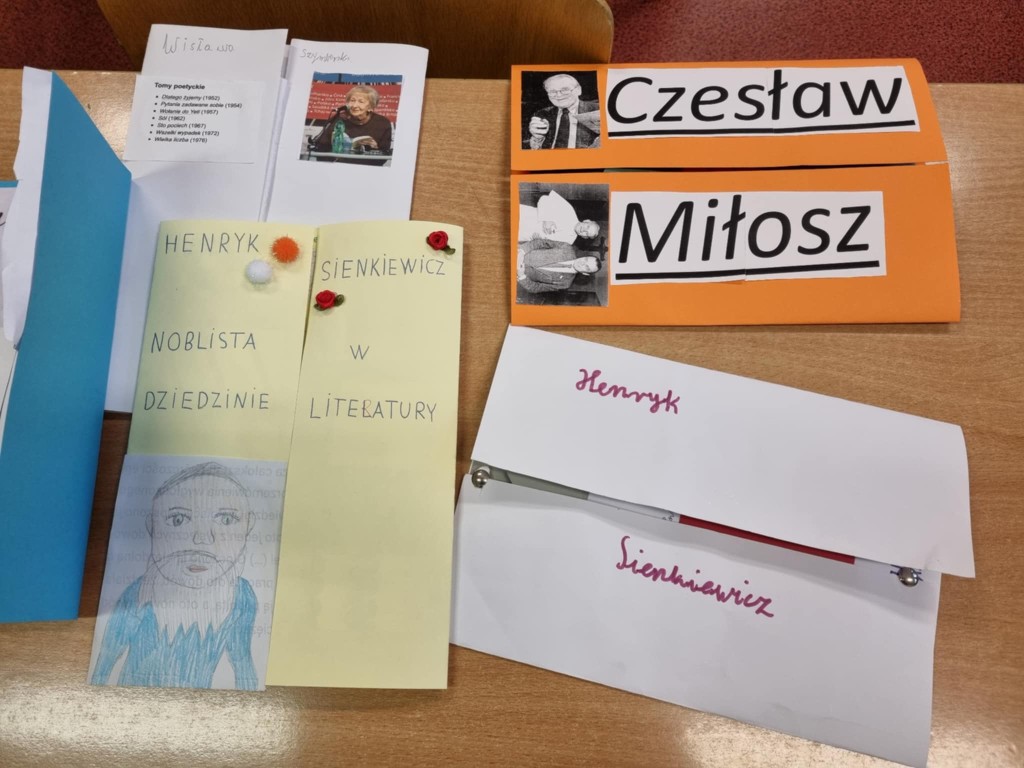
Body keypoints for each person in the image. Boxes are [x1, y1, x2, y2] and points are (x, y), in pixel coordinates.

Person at [91, 462, 259, 690]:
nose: (202, 539)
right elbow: (106, 659)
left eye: (226, 519)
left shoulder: (241, 597)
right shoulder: (139, 593)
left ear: (249, 526)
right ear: (152, 525)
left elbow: (243, 663)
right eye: (178, 519)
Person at [310, 85, 393, 155]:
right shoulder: (338, 119)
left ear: (371, 107)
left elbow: (385, 154)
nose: (354, 105)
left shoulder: (382, 123)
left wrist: (375, 149)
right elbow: (321, 149)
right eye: (352, 100)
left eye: (361, 102)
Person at [524, 73, 600, 150]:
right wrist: (537, 137)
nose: (559, 95)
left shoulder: (598, 110)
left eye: (565, 90)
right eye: (552, 91)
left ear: (578, 90)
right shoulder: (542, 114)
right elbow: (536, 150)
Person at [517, 238, 601, 294]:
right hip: (517, 253)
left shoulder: (565, 284)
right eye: (585, 259)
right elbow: (540, 242)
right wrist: (522, 251)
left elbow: (535, 288)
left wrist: (521, 276)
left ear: (585, 273)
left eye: (587, 267)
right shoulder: (567, 248)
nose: (582, 263)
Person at [518, 189, 600, 244]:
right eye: (587, 226)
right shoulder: (569, 210)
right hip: (524, 216)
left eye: (587, 233)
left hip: (524, 235)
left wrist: (538, 241)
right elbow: (544, 198)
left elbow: (547, 247)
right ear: (586, 221)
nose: (584, 230)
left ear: (584, 237)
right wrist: (546, 219)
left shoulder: (569, 242)